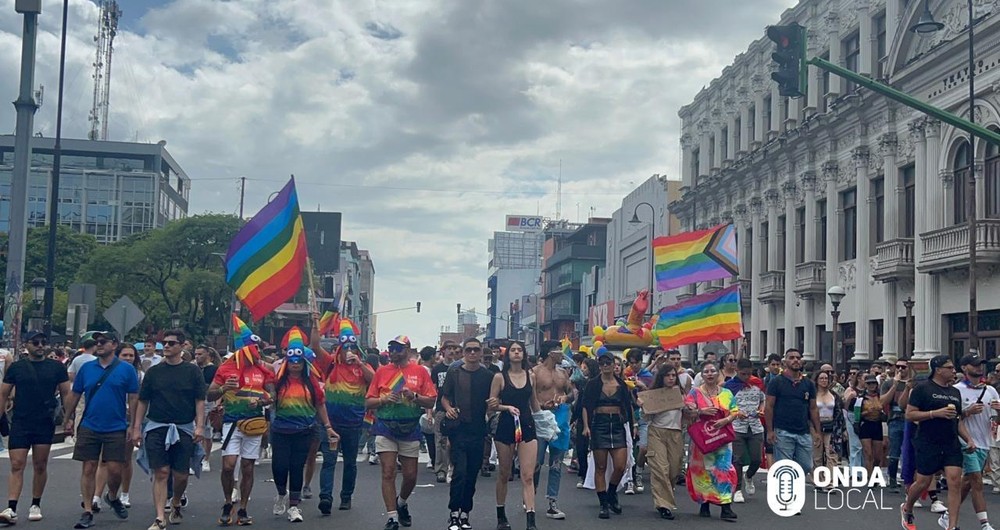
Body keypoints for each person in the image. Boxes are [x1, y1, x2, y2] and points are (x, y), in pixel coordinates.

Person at [130, 329, 207, 530]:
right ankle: (159, 518)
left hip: (183, 427)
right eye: (164, 343)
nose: (166, 346)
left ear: (182, 347)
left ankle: (176, 501)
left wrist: (199, 426)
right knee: (161, 472)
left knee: (180, 475)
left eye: (171, 343)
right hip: (157, 426)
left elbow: (200, 400)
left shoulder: (192, 372)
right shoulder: (154, 372)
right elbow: (143, 401)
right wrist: (137, 428)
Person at [62, 332, 138, 529]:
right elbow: (75, 394)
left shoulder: (126, 370)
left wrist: (134, 425)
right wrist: (68, 418)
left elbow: (133, 398)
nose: (99, 345)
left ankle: (112, 496)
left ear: (114, 345)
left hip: (116, 425)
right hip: (90, 424)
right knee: (88, 467)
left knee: (114, 469)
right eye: (97, 342)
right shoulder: (87, 368)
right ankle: (87, 510)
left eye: (103, 342)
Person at [207, 321, 275, 526]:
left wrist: (263, 400)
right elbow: (210, 394)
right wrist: (223, 389)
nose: (259, 353)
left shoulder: (262, 369)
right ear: (244, 349)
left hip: (254, 424)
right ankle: (228, 502)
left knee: (247, 467)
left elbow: (273, 394)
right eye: (256, 349)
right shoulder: (226, 368)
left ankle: (243, 508)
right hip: (231, 424)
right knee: (228, 466)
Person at [365, 336, 437, 530]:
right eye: (391, 348)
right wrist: (384, 400)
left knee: (411, 476)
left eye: (397, 348)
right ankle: (392, 518)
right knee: (388, 472)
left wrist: (414, 397)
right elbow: (368, 401)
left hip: (410, 427)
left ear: (408, 349)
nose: (394, 352)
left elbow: (431, 401)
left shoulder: (420, 371)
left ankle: (402, 503)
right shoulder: (382, 371)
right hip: (385, 427)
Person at [0, 330, 71, 524]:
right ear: (27, 345)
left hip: (44, 421)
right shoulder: (16, 368)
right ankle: (11, 507)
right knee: (17, 464)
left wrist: (68, 417)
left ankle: (35, 503)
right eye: (36, 342)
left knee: (40, 464)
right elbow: (3, 393)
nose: (40, 346)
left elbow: (66, 393)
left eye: (43, 342)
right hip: (21, 420)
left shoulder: (56, 367)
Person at [901, 355, 976, 530]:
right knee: (923, 482)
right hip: (928, 441)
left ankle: (952, 526)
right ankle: (908, 507)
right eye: (949, 367)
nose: (953, 370)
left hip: (950, 443)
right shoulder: (923, 389)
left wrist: (969, 439)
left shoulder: (954, 392)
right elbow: (910, 414)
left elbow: (957, 420)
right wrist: (934, 413)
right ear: (938, 369)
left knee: (955, 481)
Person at [311, 315, 374, 514]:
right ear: (339, 347)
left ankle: (346, 496)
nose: (348, 351)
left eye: (352, 347)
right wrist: (315, 325)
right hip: (330, 424)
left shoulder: (363, 367)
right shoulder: (330, 364)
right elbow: (314, 347)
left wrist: (360, 364)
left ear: (357, 349)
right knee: (329, 461)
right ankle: (325, 497)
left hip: (353, 425)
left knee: (350, 463)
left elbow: (374, 381)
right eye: (345, 347)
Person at [269, 340, 336, 524]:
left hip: (304, 430)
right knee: (279, 466)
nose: (295, 364)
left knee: (297, 467)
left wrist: (328, 426)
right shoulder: (278, 382)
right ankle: (282, 493)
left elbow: (320, 404)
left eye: (299, 360)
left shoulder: (311, 383)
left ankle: (293, 506)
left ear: (304, 362)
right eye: (292, 360)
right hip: (281, 430)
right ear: (286, 362)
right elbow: (268, 396)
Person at [937, 353, 1000, 530]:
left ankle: (948, 515)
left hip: (984, 441)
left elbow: (997, 419)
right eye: (975, 365)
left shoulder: (990, 390)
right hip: (964, 442)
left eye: (981, 364)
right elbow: (952, 418)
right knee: (977, 481)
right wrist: (968, 411)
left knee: (967, 482)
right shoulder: (956, 390)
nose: (979, 368)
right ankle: (985, 524)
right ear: (964, 368)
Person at [440, 338, 494, 530]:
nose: (472, 353)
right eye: (469, 350)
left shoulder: (488, 375)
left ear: (481, 353)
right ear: (463, 353)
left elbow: (493, 400)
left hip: (479, 430)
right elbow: (444, 397)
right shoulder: (454, 373)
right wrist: (448, 408)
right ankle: (454, 513)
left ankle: (465, 513)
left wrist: (493, 409)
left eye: (476, 350)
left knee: (472, 473)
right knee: (460, 472)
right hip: (459, 430)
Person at [489, 340, 539, 530]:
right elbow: (491, 405)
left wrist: (544, 420)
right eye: (513, 350)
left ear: (524, 354)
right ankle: (501, 515)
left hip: (527, 424)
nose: (516, 353)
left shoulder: (531, 376)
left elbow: (534, 403)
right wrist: (506, 407)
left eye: (520, 350)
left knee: (528, 475)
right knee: (504, 472)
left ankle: (531, 520)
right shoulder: (499, 377)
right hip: (506, 424)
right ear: (507, 355)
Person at [581, 352, 636, 519]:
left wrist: (632, 425)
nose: (605, 366)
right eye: (602, 363)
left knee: (621, 465)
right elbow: (585, 406)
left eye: (608, 363)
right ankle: (603, 503)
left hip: (618, 425)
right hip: (599, 424)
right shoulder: (592, 384)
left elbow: (629, 405)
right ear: (599, 366)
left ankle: (612, 492)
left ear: (614, 365)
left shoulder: (622, 384)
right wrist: (586, 426)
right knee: (601, 466)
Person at [685, 361, 738, 520]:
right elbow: (687, 411)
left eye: (713, 371)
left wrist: (726, 420)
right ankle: (704, 504)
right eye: (706, 371)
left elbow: (735, 411)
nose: (709, 374)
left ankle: (726, 506)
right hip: (702, 440)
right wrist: (701, 411)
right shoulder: (694, 393)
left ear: (718, 374)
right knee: (702, 471)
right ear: (702, 375)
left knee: (724, 469)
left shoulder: (727, 393)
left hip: (722, 439)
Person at [532, 340, 574, 520]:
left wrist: (566, 397)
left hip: (560, 418)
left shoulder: (563, 372)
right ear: (550, 353)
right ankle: (530, 499)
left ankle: (552, 502)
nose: (561, 353)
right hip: (541, 418)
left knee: (556, 463)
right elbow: (529, 396)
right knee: (536, 462)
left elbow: (573, 393)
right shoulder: (535, 372)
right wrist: (541, 405)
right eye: (558, 350)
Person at [765, 348, 820, 475]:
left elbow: (813, 408)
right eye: (791, 358)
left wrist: (817, 431)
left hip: (803, 432)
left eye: (798, 358)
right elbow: (769, 407)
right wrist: (770, 431)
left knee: (806, 466)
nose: (795, 360)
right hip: (783, 431)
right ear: (785, 362)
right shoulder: (776, 382)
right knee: (785, 467)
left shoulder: (808, 384)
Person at [642, 363, 685, 520]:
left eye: (674, 376)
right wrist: (643, 406)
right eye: (668, 375)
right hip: (657, 432)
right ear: (662, 377)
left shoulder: (680, 393)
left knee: (674, 469)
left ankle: (666, 495)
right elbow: (645, 417)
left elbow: (689, 414)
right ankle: (663, 504)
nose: (671, 378)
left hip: (675, 433)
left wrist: (691, 407)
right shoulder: (654, 394)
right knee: (661, 468)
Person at [723, 358, 765, 504]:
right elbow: (724, 405)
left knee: (757, 459)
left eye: (749, 374)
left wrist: (761, 409)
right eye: (743, 374)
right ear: (737, 371)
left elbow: (763, 399)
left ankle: (749, 476)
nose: (746, 377)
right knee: (737, 459)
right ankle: (738, 489)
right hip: (737, 427)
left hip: (755, 426)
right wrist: (735, 413)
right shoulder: (729, 386)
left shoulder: (757, 384)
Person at [431, 340, 460, 482]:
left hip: (458, 408)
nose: (451, 351)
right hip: (441, 408)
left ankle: (453, 467)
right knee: (440, 440)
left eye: (454, 348)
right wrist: (430, 411)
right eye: (448, 348)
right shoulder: (437, 369)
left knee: (455, 440)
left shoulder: (459, 367)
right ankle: (440, 469)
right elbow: (433, 390)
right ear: (443, 351)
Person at [848, 374, 886, 475]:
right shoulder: (860, 398)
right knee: (868, 454)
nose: (871, 385)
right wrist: (867, 412)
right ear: (866, 385)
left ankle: (875, 472)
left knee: (878, 456)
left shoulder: (880, 397)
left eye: (873, 383)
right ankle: (870, 477)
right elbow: (855, 414)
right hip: (865, 425)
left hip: (877, 425)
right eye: (869, 383)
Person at [811, 370, 846, 481]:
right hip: (816, 427)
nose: (824, 380)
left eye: (826, 378)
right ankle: (818, 480)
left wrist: (843, 429)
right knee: (817, 456)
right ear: (816, 380)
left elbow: (839, 412)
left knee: (832, 454)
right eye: (821, 378)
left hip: (832, 427)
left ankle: (830, 481)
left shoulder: (834, 395)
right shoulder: (813, 395)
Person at [194, 345, 220, 472]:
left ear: (207, 355)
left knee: (206, 432)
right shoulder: (193, 368)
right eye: (196, 354)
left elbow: (218, 388)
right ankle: (195, 459)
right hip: (193, 401)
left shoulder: (214, 369)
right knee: (194, 430)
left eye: (200, 354)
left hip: (208, 402)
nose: (197, 356)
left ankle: (206, 459)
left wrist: (217, 404)